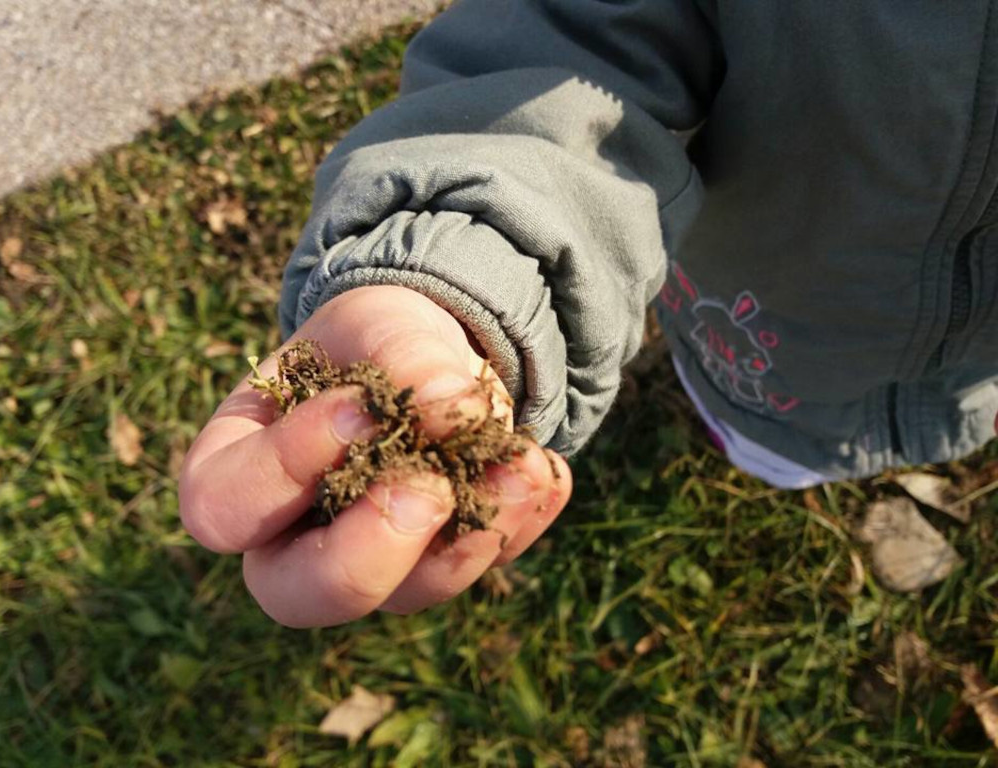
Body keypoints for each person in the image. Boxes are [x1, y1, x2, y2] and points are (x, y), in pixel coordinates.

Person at [179, 1, 998, 627]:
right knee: (761, 430)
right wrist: (460, 273)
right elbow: (581, 29)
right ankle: (752, 439)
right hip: (762, 316)